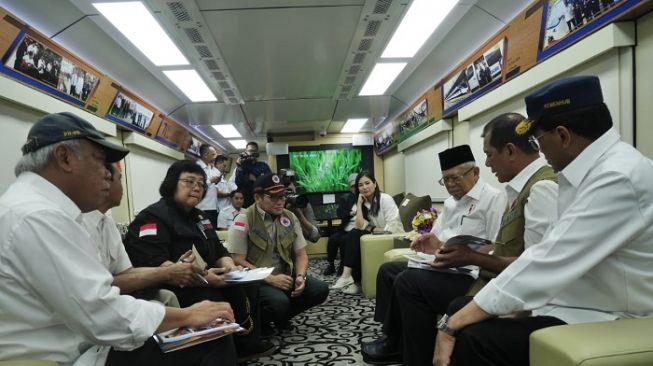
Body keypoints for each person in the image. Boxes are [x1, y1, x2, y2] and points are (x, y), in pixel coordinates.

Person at [433, 76, 653, 366]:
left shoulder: (617, 177)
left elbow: (550, 258)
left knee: (476, 337)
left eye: (538, 140)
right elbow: (548, 250)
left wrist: (453, 324)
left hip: (609, 314)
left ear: (562, 135)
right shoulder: (582, 174)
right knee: (465, 312)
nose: (539, 151)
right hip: (575, 302)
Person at [0, 112, 236, 365]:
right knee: (212, 337)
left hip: (83, 340)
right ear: (64, 157)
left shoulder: (40, 208)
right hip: (64, 355)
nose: (106, 174)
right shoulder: (39, 215)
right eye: (100, 161)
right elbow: (100, 313)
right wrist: (187, 316)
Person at [361, 144, 507, 364]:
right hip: (445, 266)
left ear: (475, 172)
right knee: (388, 271)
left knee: (408, 281)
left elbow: (497, 247)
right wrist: (428, 243)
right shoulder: (450, 203)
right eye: (445, 180)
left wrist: (465, 252)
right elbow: (437, 238)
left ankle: (415, 356)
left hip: (471, 275)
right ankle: (393, 339)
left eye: (455, 178)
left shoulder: (494, 199)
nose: (450, 185)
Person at [124, 160, 275, 361]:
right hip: (175, 284)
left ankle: (245, 344)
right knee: (211, 294)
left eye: (201, 184)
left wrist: (230, 269)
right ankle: (223, 352)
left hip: (209, 276)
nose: (197, 187)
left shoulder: (199, 217)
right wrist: (204, 278)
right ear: (171, 184)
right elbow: (155, 263)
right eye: (189, 181)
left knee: (247, 286)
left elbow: (219, 250)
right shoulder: (152, 218)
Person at [228, 173, 329, 332]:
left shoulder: (290, 217)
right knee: (278, 302)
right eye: (273, 197)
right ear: (258, 198)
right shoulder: (244, 219)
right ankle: (261, 324)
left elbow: (301, 254)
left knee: (320, 289)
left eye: (282, 196)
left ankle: (282, 317)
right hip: (257, 280)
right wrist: (269, 279)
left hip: (286, 274)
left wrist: (301, 277)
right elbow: (236, 259)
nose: (280, 202)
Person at [82, 163, 191, 306]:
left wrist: (174, 270)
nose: (123, 187)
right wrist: (167, 272)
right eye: (119, 179)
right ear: (105, 183)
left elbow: (126, 272)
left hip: (117, 294)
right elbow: (99, 287)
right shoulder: (80, 224)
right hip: (98, 302)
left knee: (168, 298)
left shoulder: (107, 222)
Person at [331, 170, 404, 295]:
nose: (364, 187)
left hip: (393, 237)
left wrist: (371, 229)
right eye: (360, 185)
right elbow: (360, 226)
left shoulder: (385, 199)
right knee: (354, 235)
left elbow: (391, 228)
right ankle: (353, 280)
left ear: (375, 184)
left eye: (367, 183)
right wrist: (359, 204)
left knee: (356, 235)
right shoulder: (362, 201)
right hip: (377, 237)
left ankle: (349, 277)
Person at [324, 173, 358, 276]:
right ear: (349, 187)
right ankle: (331, 264)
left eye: (357, 186)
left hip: (357, 229)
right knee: (332, 240)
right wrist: (350, 213)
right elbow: (340, 214)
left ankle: (344, 266)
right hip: (345, 228)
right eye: (352, 186)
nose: (355, 189)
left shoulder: (366, 197)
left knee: (344, 241)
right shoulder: (345, 198)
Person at [282, 169, 320, 243]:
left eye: (290, 191)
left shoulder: (300, 202)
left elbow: (315, 237)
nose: (288, 194)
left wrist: (298, 214)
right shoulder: (274, 204)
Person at [233, 141, 271, 208]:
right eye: (250, 151)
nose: (252, 153)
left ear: (257, 153)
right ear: (246, 152)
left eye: (254, 151)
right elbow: (238, 183)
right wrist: (239, 167)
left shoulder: (263, 166)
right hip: (245, 201)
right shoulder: (241, 166)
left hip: (259, 199)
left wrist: (256, 180)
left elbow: (269, 183)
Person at [196, 144, 221, 227]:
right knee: (204, 232)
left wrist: (216, 181)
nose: (215, 156)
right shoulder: (197, 167)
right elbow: (196, 184)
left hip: (213, 207)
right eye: (213, 154)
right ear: (205, 155)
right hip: (203, 207)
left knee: (211, 233)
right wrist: (210, 181)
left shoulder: (211, 168)